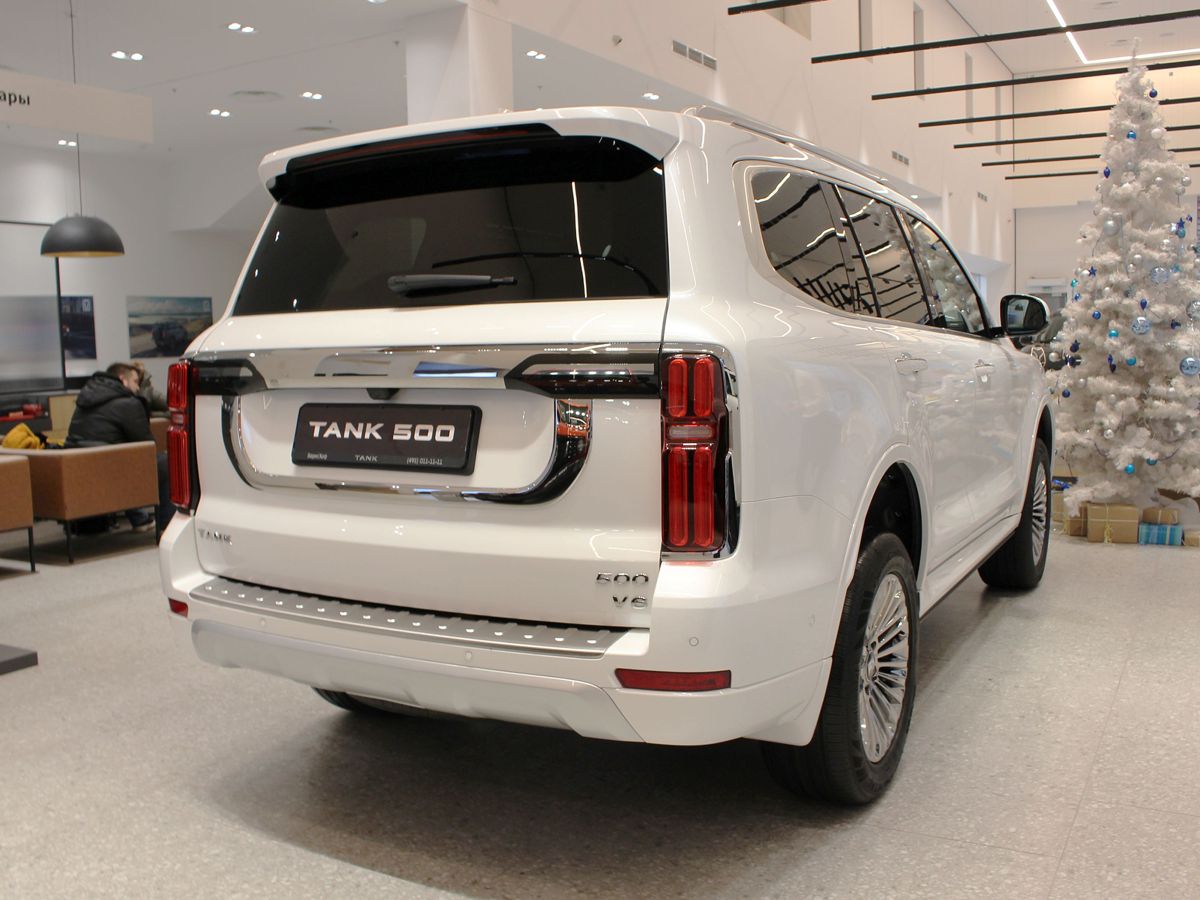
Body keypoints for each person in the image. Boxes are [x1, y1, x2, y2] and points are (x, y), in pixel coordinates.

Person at [66, 363, 174, 539]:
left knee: (126, 459)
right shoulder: (128, 403)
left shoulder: (85, 399)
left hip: (77, 466)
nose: (138, 388)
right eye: (135, 382)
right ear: (123, 379)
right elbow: (147, 446)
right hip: (108, 468)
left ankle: (140, 520)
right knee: (165, 463)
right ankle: (167, 526)